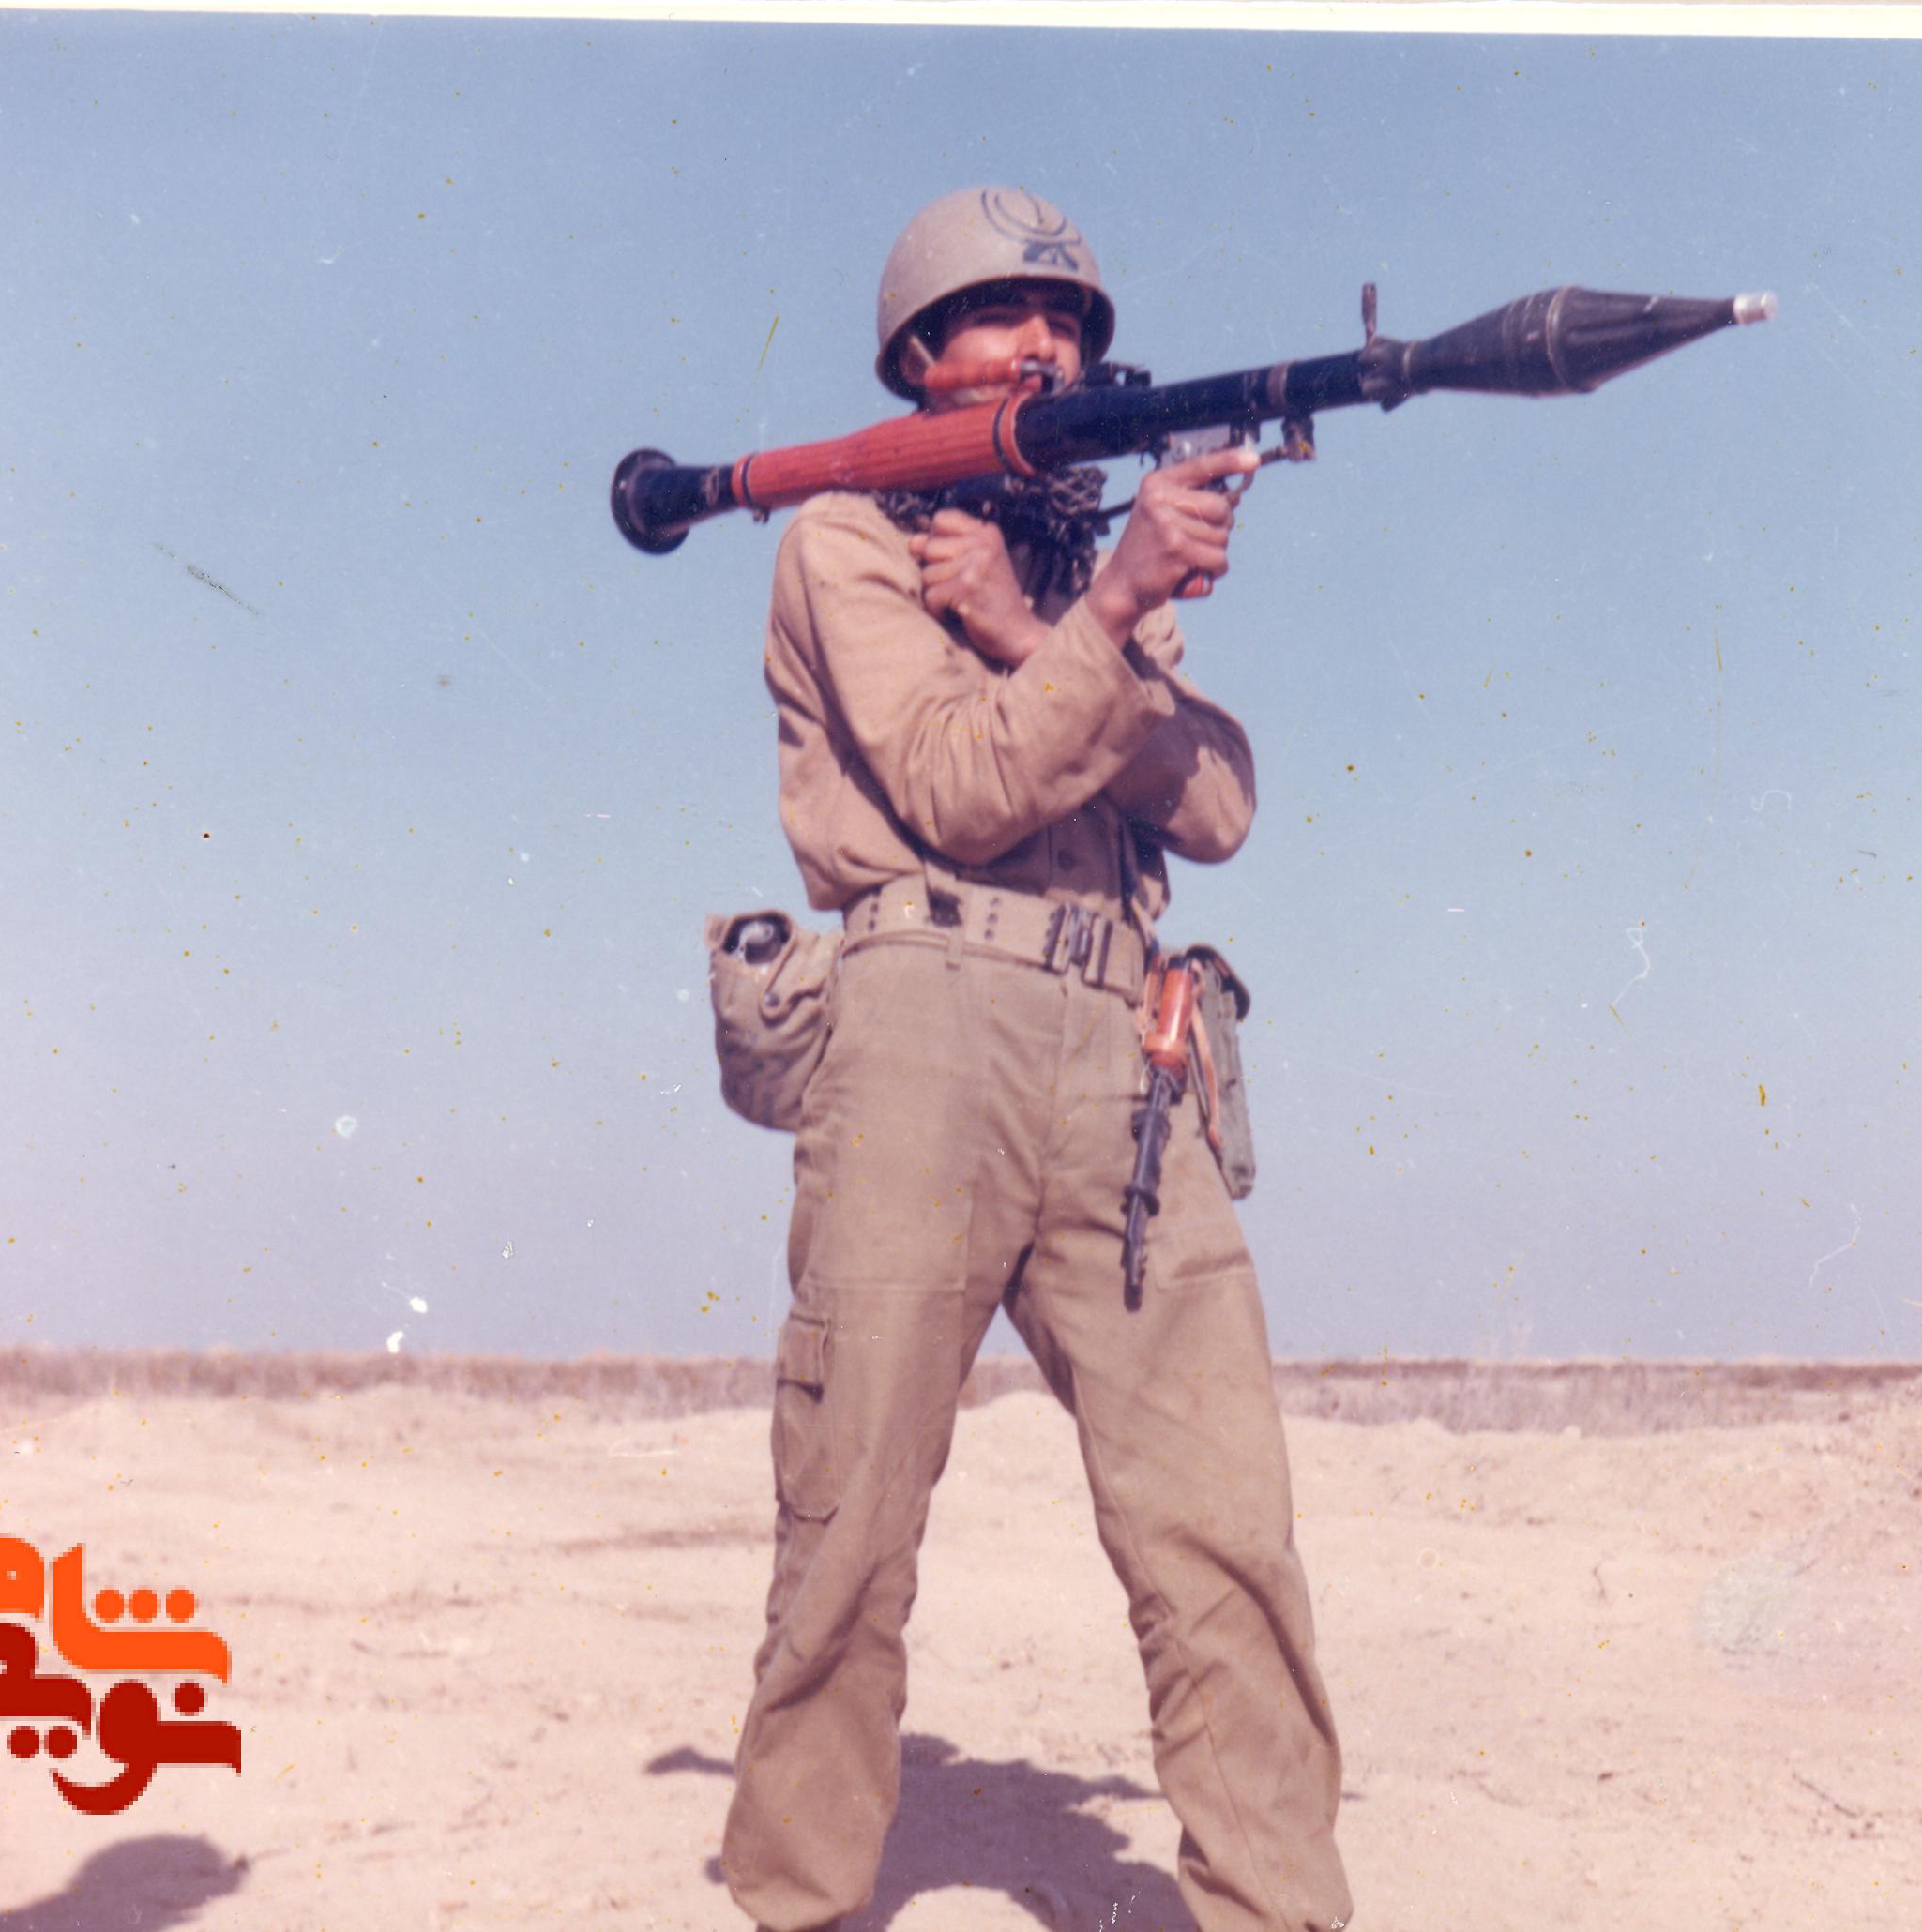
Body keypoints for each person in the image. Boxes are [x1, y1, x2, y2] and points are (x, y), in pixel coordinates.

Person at [720, 187, 1353, 1932]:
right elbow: (957, 786)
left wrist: (1040, 621)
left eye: (1067, 318)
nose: (1045, 344)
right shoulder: (842, 540)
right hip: (924, 1028)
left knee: (1222, 1527)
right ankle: (797, 1900)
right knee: (850, 1526)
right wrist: (1109, 612)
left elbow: (1216, 801)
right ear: (919, 354)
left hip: (1124, 1050)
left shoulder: (1059, 573)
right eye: (1003, 315)